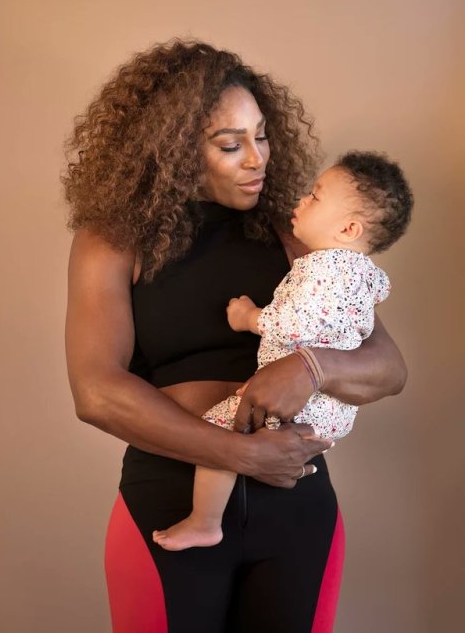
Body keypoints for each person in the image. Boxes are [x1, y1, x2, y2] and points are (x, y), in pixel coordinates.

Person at [63, 39, 407, 633]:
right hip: (171, 497)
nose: (258, 159)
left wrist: (310, 368)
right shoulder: (114, 238)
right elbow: (96, 390)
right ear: (170, 152)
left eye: (263, 136)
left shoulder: (293, 233)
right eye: (231, 144)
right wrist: (240, 453)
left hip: (296, 503)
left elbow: (388, 367)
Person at [153, 151, 413, 552]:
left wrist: (249, 317)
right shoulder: (363, 276)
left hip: (301, 405)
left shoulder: (322, 268)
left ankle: (204, 522)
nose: (301, 202)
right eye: (229, 144)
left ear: (347, 228)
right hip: (330, 413)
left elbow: (296, 325)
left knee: (217, 435)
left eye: (314, 197)